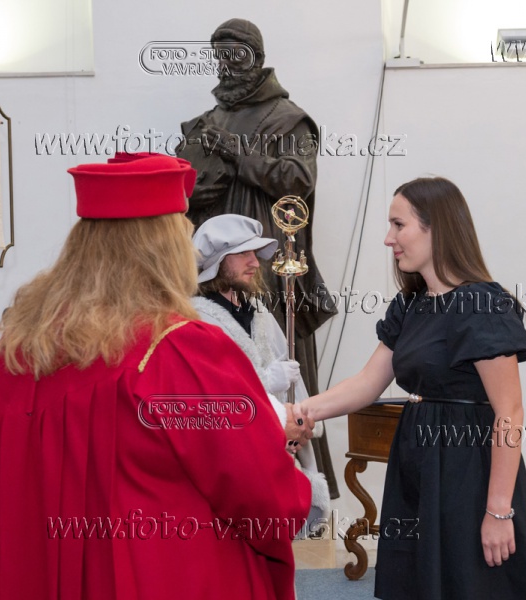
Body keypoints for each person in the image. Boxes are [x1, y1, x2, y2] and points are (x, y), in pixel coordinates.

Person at [0, 152, 312, 600]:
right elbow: (265, 496)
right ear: (166, 251)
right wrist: (281, 446)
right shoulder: (178, 352)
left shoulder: (5, 361)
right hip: (164, 578)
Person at [296, 177, 526, 599]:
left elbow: (509, 413)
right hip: (417, 465)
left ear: (437, 228)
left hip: (469, 471)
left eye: (399, 225)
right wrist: (300, 412)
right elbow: (367, 383)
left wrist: (498, 511)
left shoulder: (481, 304)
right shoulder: (410, 305)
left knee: (471, 584)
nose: (388, 238)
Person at [177, 18, 339, 497]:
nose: (226, 65)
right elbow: (182, 189)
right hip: (207, 271)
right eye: (219, 56)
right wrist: (200, 189)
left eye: (236, 55)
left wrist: (238, 154)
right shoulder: (203, 123)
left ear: (257, 57)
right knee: (212, 368)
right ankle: (220, 481)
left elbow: (298, 182)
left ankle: (296, 487)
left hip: (266, 264)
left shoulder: (288, 119)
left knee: (278, 361)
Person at [191, 214, 330, 533]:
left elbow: (289, 374)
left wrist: (301, 421)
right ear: (218, 261)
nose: (255, 262)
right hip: (232, 461)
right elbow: (212, 397)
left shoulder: (257, 312)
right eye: (243, 253)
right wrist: (266, 381)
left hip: (277, 448)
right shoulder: (198, 319)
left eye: (254, 253)